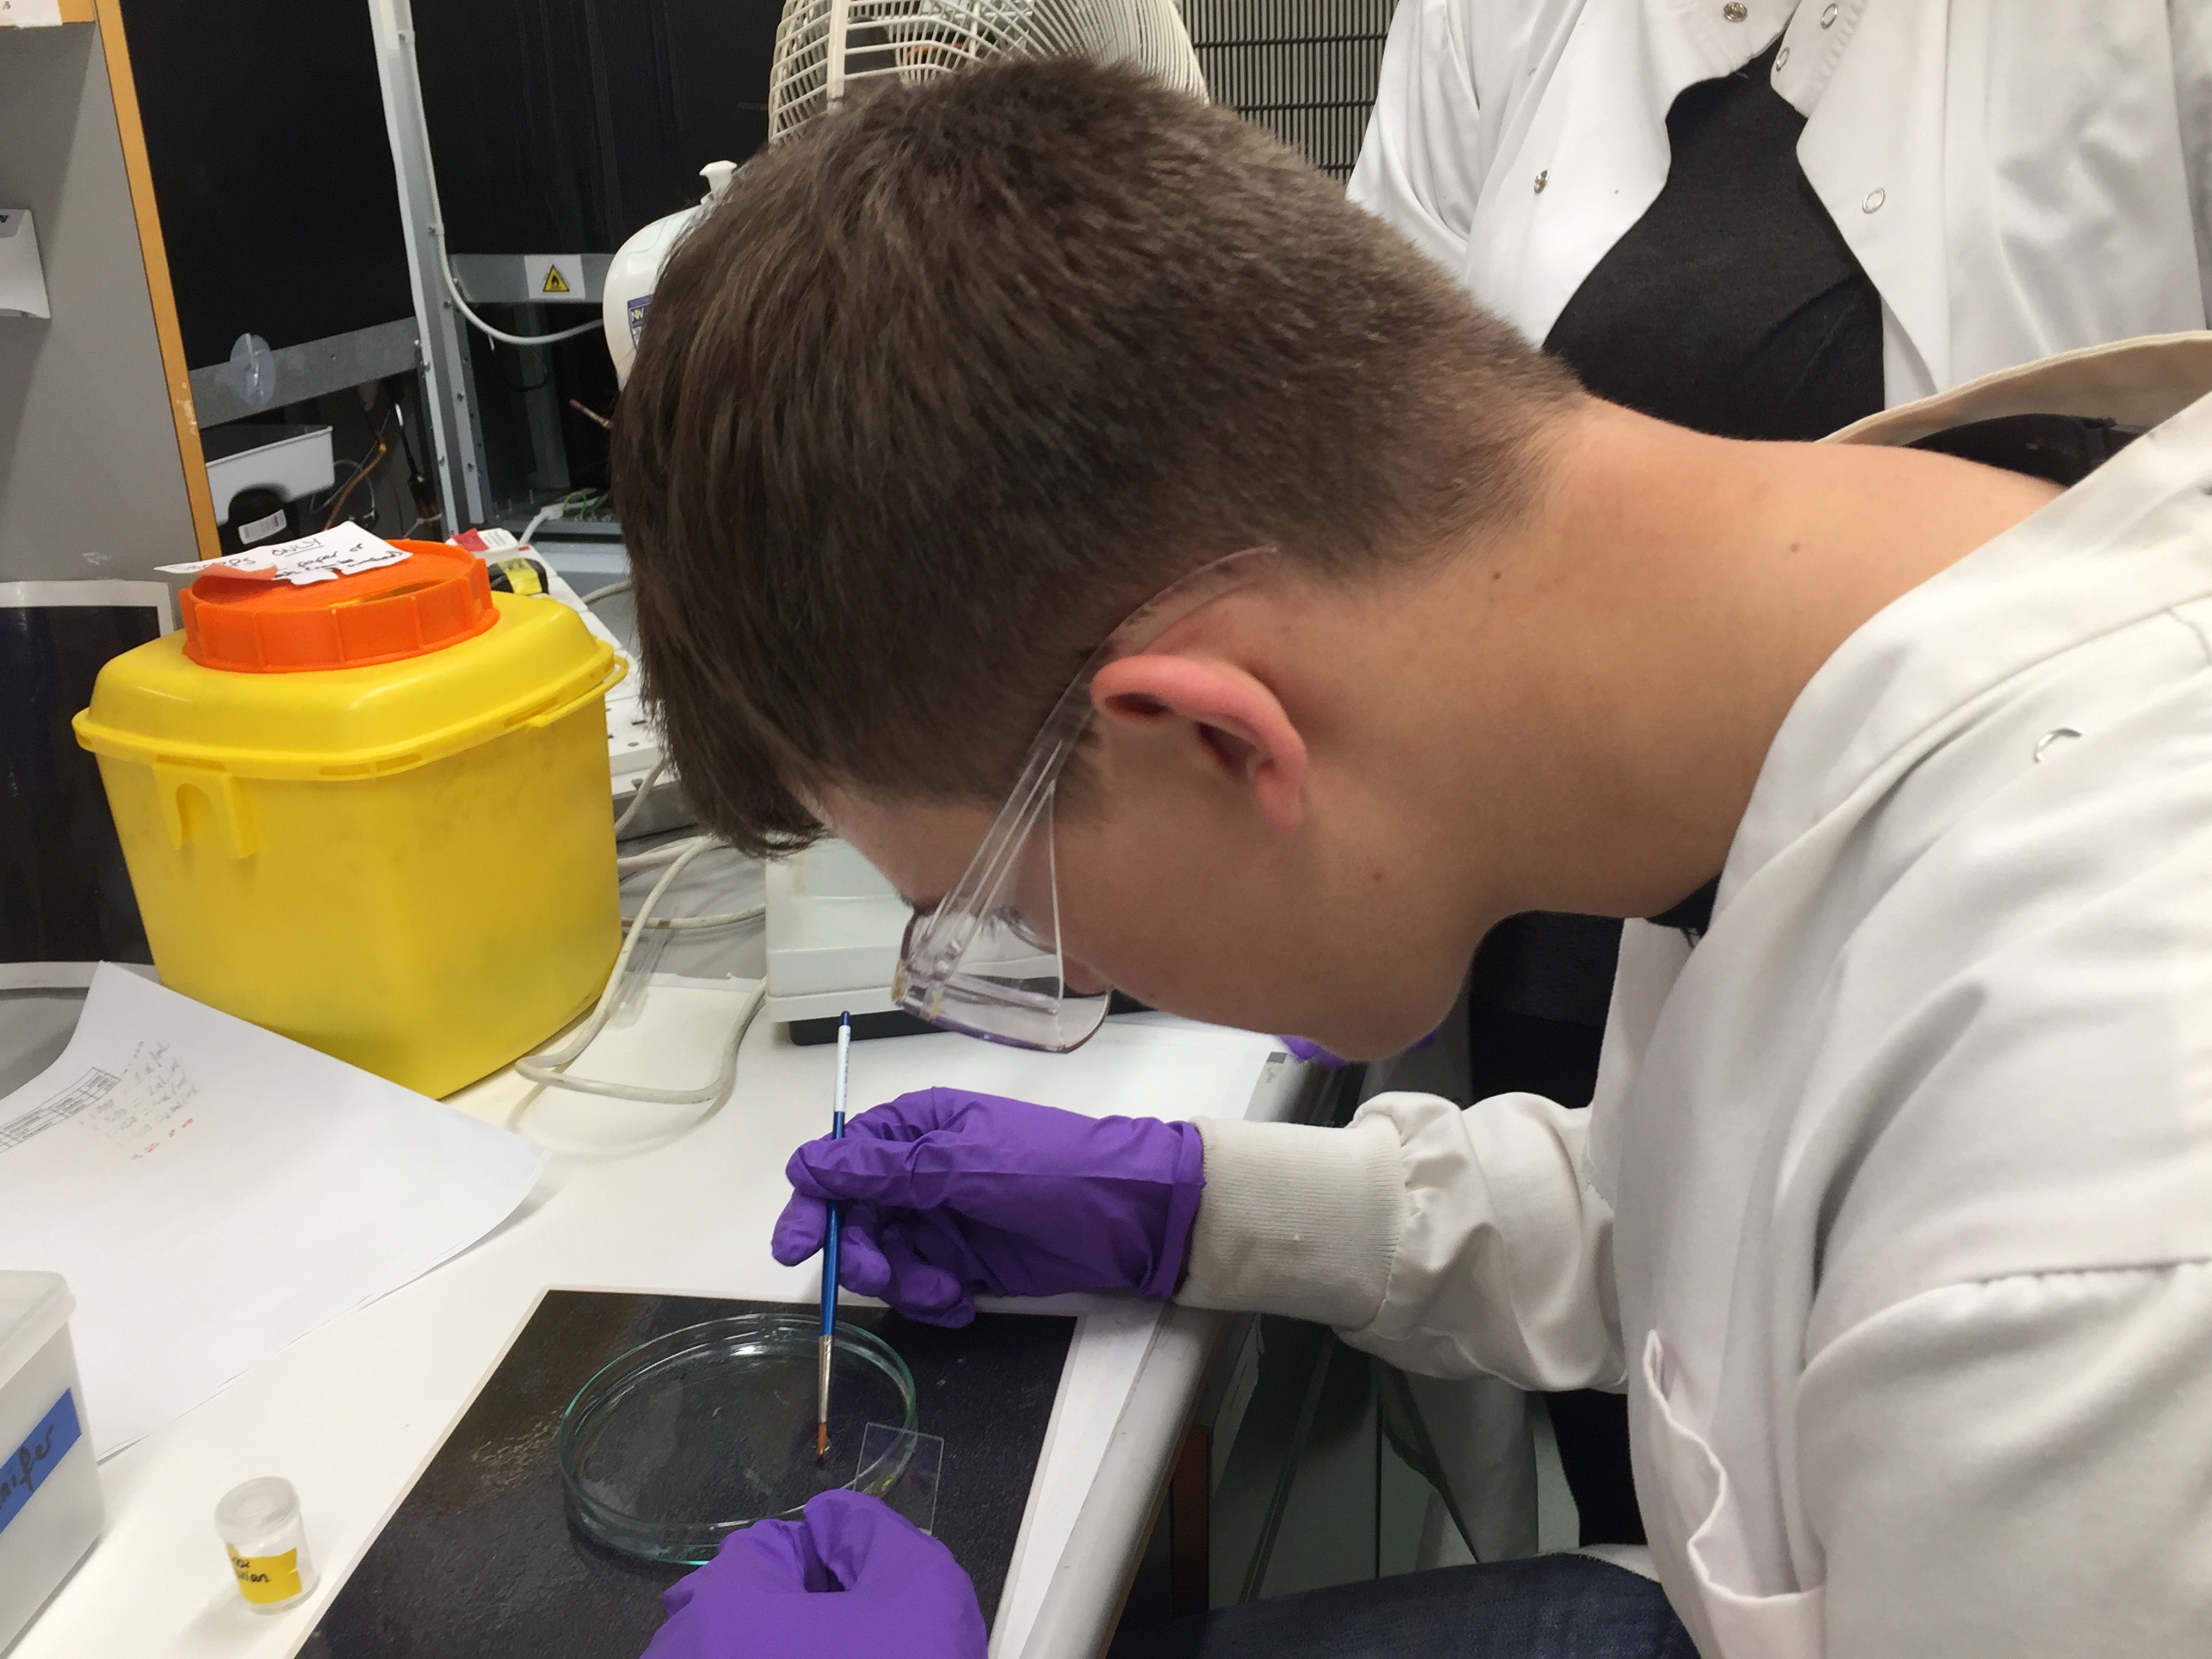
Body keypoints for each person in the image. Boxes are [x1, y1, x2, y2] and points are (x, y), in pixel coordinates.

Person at [614, 59, 2212, 1659]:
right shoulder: (1808, 662)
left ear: (1214, 737)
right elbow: (1709, 1222)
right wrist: (1193, 1205)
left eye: (1002, 911)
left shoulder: (2099, 1196)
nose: (1066, 968)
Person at [1344, 0, 2212, 1553]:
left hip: (2042, 853)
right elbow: (1647, 1220)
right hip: (1665, 895)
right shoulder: (1512, 29)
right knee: (1676, 1470)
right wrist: (1201, 1203)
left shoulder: (2102, 1192)